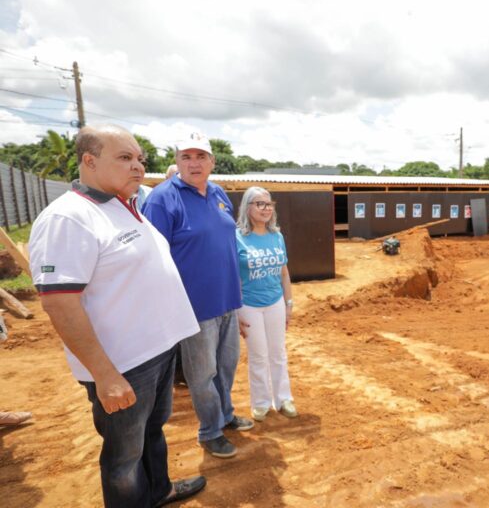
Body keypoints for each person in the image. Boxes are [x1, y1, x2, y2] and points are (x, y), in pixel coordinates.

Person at [29, 124, 206, 507]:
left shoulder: (120, 206)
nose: (138, 167)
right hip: (122, 365)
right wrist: (105, 376)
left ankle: (159, 491)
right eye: (125, 158)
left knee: (153, 434)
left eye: (139, 158)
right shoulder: (69, 218)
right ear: (89, 161)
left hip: (156, 354)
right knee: (123, 459)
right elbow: (59, 303)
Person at [143, 132, 252, 459]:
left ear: (212, 162)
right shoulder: (162, 199)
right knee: (201, 374)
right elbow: (152, 257)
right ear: (176, 161)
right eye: (187, 156)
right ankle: (210, 431)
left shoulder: (218, 194)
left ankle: (226, 414)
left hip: (228, 300)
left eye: (201, 156)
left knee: (227, 365)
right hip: (193, 307)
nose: (194, 163)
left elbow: (227, 243)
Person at [236, 187, 297, 421]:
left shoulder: (276, 236)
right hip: (248, 304)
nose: (266, 208)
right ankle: (261, 402)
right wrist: (234, 310)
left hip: (275, 302)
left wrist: (288, 304)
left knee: (278, 352)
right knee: (258, 354)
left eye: (269, 204)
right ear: (247, 207)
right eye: (259, 204)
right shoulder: (237, 237)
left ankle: (284, 399)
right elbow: (231, 276)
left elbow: (284, 273)